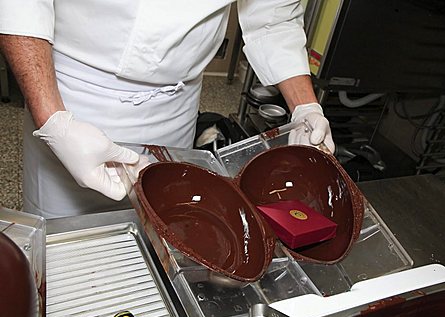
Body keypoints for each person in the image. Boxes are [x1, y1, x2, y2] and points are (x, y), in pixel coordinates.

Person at [0, 0, 335, 218]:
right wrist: (55, 122)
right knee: (63, 245)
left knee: (159, 226)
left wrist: (305, 106)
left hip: (176, 102)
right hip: (73, 95)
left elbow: (272, 18)